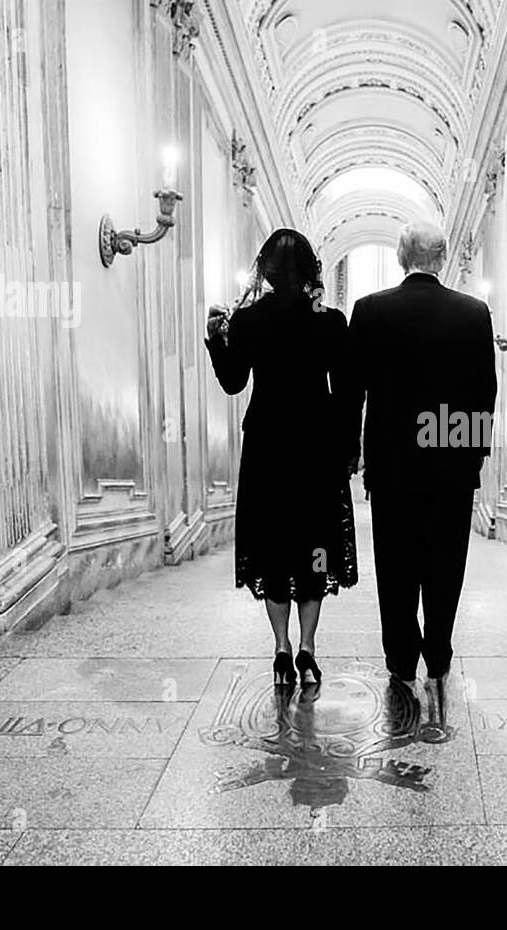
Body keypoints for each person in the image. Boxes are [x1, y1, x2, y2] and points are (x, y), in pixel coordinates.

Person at [347, 220, 497, 716]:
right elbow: (484, 393)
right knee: (445, 566)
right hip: (451, 471)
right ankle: (438, 654)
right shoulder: (474, 313)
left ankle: (400, 658)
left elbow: (353, 392)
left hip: (392, 470)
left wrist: (353, 456)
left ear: (400, 257)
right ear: (443, 257)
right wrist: (471, 456)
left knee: (395, 567)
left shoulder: (369, 311)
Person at [205, 228, 358, 688]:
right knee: (313, 545)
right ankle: (308, 647)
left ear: (266, 271)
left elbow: (233, 383)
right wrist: (350, 448)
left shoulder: (249, 320)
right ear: (312, 269)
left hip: (267, 446)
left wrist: (216, 340)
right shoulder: (330, 321)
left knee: (274, 545)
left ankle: (281, 648)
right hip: (316, 447)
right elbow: (349, 393)